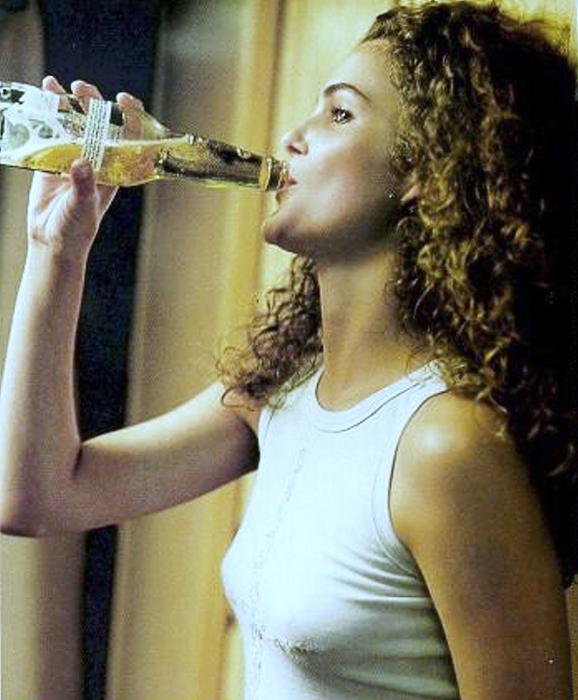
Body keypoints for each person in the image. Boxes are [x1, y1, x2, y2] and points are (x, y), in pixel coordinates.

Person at [0, 1, 576, 698]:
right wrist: (56, 251)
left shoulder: (445, 447)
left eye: (340, 113)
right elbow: (38, 497)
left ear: (426, 170)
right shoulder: (285, 391)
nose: (291, 138)